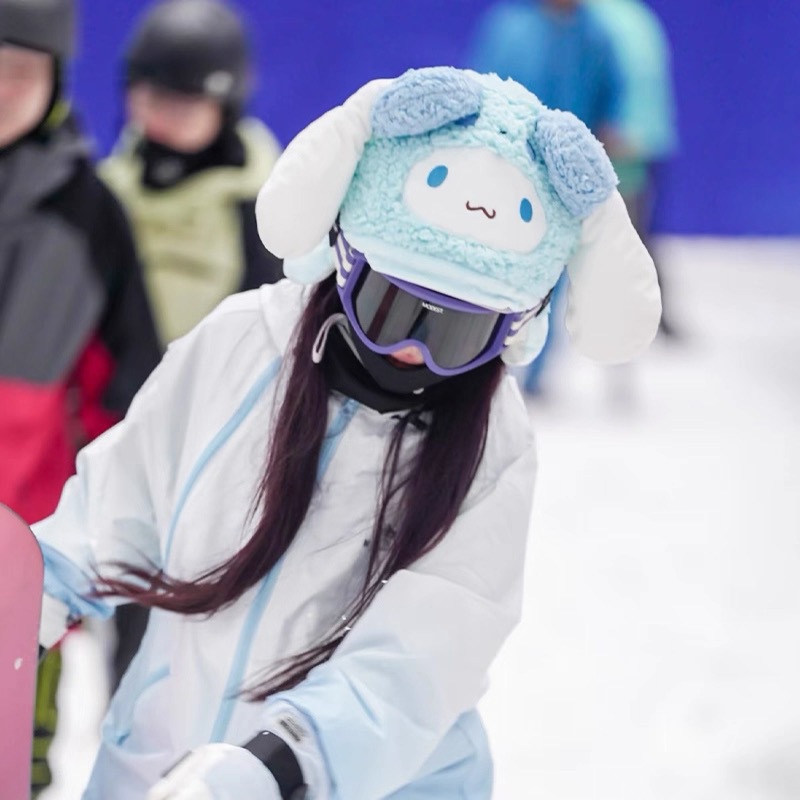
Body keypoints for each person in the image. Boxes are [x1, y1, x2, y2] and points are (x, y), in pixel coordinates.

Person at [34, 67, 661, 800]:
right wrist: (34, 595)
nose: (412, 353)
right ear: (345, 258)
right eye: (392, 307)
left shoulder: (493, 443)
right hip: (161, 766)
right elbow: (120, 502)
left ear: (513, 330)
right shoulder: (244, 345)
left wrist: (279, 765)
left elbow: (422, 656)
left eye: (457, 334)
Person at [0, 0, 161, 794]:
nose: (3, 89)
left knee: (14, 750)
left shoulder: (92, 215)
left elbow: (127, 390)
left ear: (57, 82)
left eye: (22, 72)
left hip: (21, 551)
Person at [100, 0, 284, 690]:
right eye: (152, 98)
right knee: (119, 613)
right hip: (119, 431)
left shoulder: (261, 202)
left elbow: (281, 324)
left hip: (215, 443)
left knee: (196, 624)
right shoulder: (110, 190)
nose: (164, 117)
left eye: (185, 103)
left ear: (225, 103)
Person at [586, 0, 680, 337]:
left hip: (621, 144)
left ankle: (636, 317)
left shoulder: (600, 18)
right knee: (633, 235)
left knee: (626, 236)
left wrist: (624, 132)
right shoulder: (635, 17)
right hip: (637, 140)